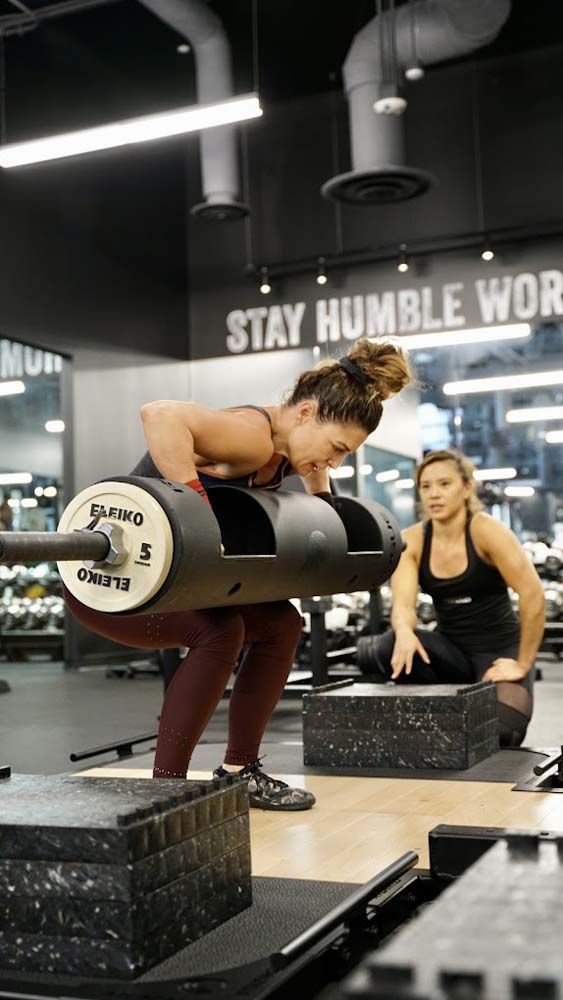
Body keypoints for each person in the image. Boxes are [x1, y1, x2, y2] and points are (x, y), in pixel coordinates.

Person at [64, 339, 413, 809]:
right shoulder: (252, 436)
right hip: (111, 589)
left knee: (282, 625)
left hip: (173, 586)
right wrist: (198, 514)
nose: (334, 462)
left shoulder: (292, 449)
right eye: (335, 449)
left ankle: (239, 771)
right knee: (220, 631)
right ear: (306, 412)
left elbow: (317, 483)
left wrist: (329, 510)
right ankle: (165, 793)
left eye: (343, 455)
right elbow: (160, 414)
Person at [370, 449, 545, 747]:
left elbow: (533, 596)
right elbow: (403, 605)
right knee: (389, 644)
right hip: (452, 654)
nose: (434, 494)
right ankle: (446, 709)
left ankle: (459, 711)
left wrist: (523, 663)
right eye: (426, 486)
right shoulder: (412, 539)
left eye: (444, 484)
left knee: (504, 733)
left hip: (499, 652)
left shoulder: (487, 531)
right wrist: (403, 631)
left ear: (466, 488)